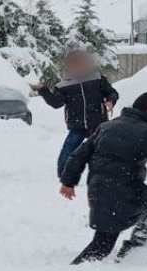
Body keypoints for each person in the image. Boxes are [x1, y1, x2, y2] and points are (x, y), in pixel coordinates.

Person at [60, 91, 147, 264]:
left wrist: (68, 182)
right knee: (102, 245)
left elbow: (78, 156)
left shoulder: (107, 126)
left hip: (99, 190)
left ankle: (133, 247)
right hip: (123, 193)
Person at [32, 50, 119, 178]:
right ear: (68, 67)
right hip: (77, 125)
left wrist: (111, 101)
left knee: (106, 150)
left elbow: (112, 93)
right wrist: (43, 90)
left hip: (98, 123)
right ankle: (63, 174)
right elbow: (56, 103)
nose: (79, 68)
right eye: (75, 66)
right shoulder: (63, 86)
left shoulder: (97, 79)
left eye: (82, 65)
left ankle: (111, 173)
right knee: (69, 149)